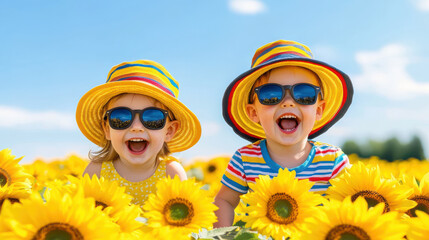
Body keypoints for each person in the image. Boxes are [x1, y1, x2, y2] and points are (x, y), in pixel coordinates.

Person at [214, 40, 354, 227]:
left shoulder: (333, 162)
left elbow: (353, 210)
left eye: (304, 94)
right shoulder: (245, 160)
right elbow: (225, 200)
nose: (288, 102)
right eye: (271, 95)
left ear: (319, 110)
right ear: (253, 112)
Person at [76, 60, 201, 206]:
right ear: (107, 129)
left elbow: (183, 227)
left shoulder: (171, 173)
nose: (136, 127)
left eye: (152, 117)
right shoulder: (96, 172)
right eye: (121, 117)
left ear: (169, 131)